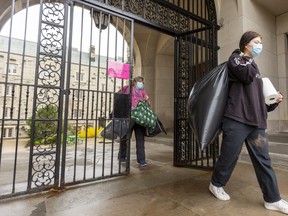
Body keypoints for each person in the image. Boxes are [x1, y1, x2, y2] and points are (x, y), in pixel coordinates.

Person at [209, 31, 288, 214]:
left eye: (261, 42)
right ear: (246, 44)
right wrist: (248, 58)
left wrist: (272, 102)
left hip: (256, 123)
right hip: (237, 119)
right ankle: (216, 184)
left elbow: (259, 101)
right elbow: (246, 75)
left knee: (264, 161)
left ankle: (272, 199)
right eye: (256, 42)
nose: (260, 45)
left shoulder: (253, 67)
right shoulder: (236, 59)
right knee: (229, 157)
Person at [118, 76, 151, 167]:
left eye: (142, 82)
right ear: (135, 82)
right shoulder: (127, 89)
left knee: (140, 139)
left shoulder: (143, 92)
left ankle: (141, 160)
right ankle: (122, 156)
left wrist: (147, 100)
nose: (141, 84)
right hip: (129, 117)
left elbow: (149, 105)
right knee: (125, 136)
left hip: (140, 119)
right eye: (140, 82)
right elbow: (118, 96)